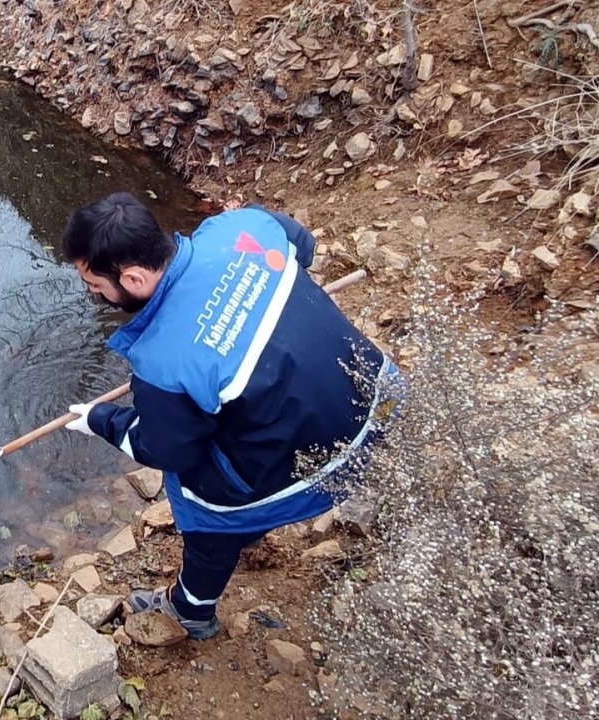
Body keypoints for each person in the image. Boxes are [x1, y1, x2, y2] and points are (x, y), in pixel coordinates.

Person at [60, 192, 402, 640]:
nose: (93, 295)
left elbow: (164, 449)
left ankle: (191, 609)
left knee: (197, 493)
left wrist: (100, 419)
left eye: (95, 286)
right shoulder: (241, 228)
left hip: (333, 458)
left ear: (134, 277)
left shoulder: (163, 359)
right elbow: (305, 246)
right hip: (381, 398)